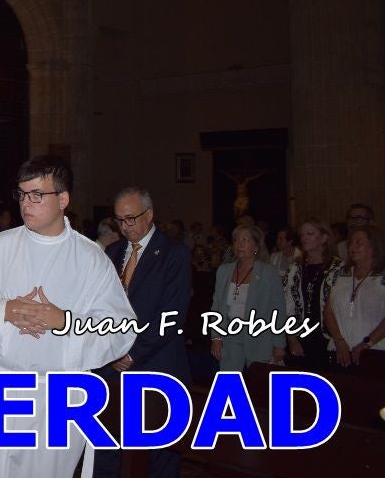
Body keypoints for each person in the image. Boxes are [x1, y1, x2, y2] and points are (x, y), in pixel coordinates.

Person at [0, 156, 136, 478]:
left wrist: (64, 321)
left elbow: (120, 330)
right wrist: (5, 310)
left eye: (37, 195)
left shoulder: (91, 259)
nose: (26, 203)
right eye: (22, 194)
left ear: (63, 200)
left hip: (54, 399)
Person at [95, 187, 191, 478]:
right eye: (119, 220)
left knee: (158, 453)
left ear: (149, 215)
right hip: (114, 369)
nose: (125, 226)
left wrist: (132, 354)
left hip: (157, 365)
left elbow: (171, 316)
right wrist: (109, 349)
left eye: (131, 218)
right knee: (108, 448)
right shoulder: (113, 253)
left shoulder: (174, 253)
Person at [209, 223, 286, 370]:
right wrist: (216, 337)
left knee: (259, 381)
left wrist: (279, 344)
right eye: (236, 240)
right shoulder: (224, 271)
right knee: (229, 380)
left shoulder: (269, 273)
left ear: (256, 246)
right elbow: (217, 307)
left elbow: (278, 310)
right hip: (230, 336)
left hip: (260, 338)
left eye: (245, 240)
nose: (239, 244)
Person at [284, 218, 342, 369]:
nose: (304, 238)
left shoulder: (338, 268)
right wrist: (291, 337)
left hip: (327, 337)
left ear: (324, 238)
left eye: (310, 234)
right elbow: (288, 303)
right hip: (301, 335)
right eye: (302, 235)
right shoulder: (296, 267)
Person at [325, 225, 385, 366]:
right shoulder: (339, 274)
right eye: (351, 243)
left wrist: (367, 343)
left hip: (375, 353)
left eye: (359, 243)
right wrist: (339, 341)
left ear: (373, 247)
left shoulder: (382, 277)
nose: (353, 247)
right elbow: (328, 312)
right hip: (340, 352)